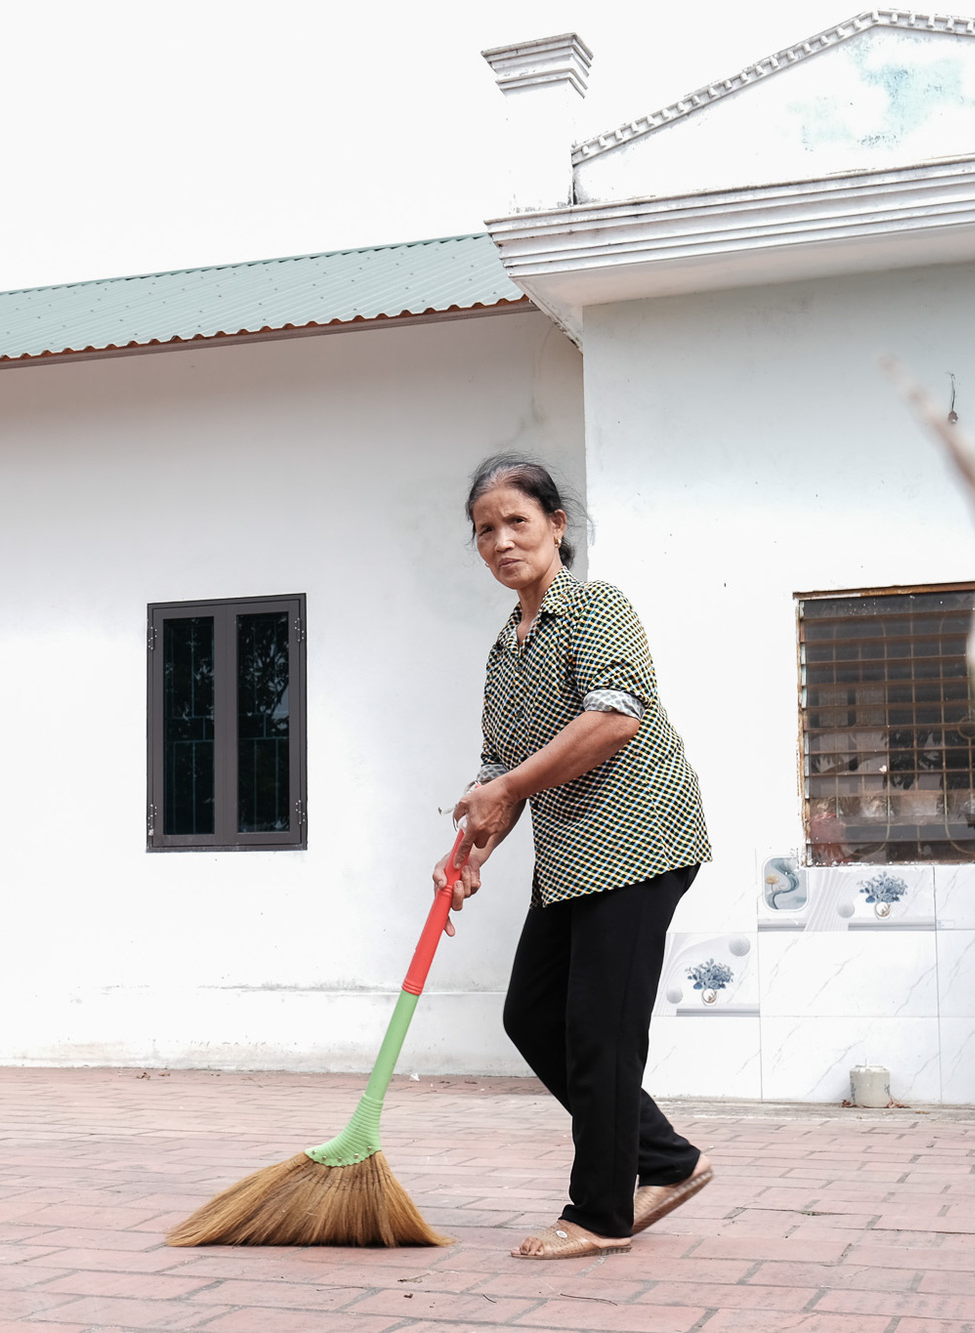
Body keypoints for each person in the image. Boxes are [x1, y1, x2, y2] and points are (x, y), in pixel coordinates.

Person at [433, 453, 714, 1260]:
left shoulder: (596, 607)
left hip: (641, 838)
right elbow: (500, 771)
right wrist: (470, 848)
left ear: (557, 526)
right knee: (531, 1012)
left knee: (600, 1029)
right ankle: (665, 1159)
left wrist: (506, 786)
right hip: (572, 858)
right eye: (485, 529)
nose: (500, 540)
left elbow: (616, 717)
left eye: (516, 521)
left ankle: (598, 1213)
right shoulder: (504, 650)